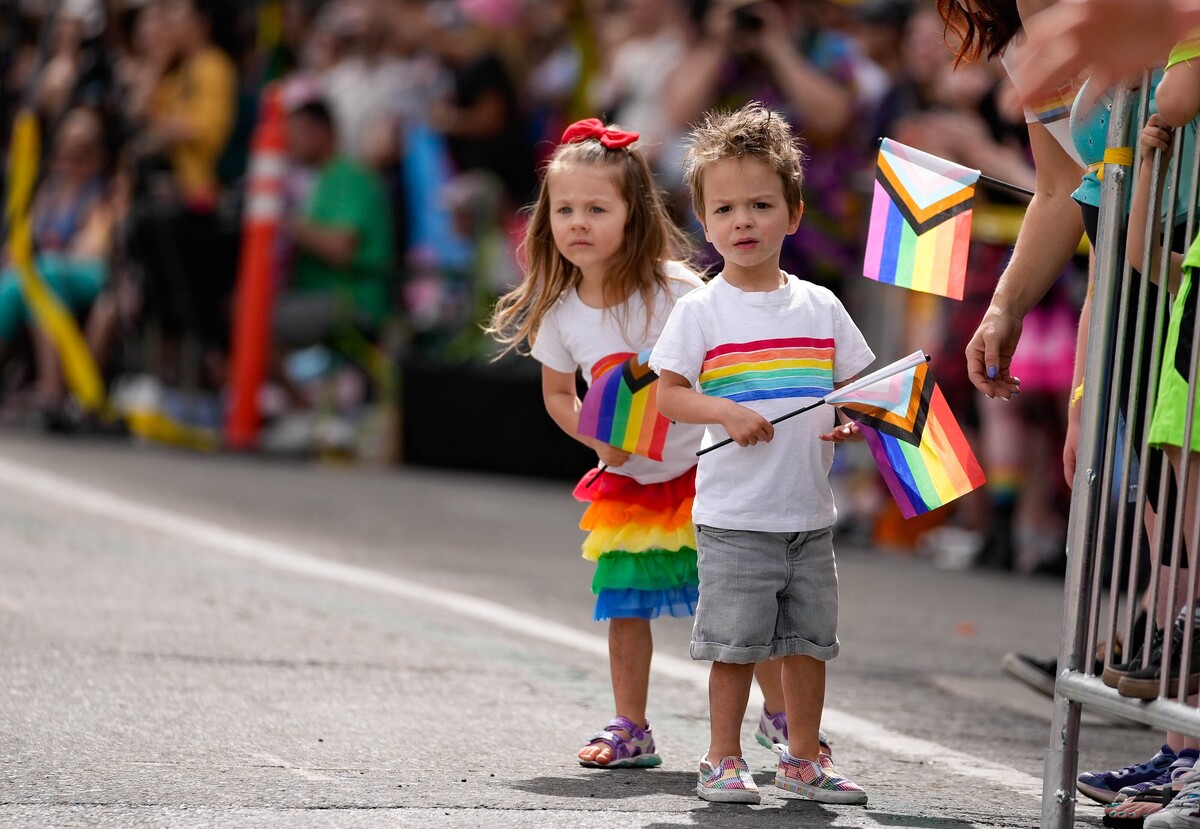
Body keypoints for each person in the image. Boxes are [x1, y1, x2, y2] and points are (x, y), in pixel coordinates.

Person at [486, 117, 806, 770]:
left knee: (742, 604)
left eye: (597, 208)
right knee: (626, 608)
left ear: (634, 215)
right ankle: (631, 725)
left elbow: (727, 365)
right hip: (630, 487)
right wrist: (600, 438)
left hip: (708, 473)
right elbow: (558, 395)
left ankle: (780, 717)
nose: (578, 222)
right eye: (565, 209)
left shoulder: (678, 294)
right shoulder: (561, 309)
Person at [651, 102, 872, 805]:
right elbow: (669, 396)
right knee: (735, 646)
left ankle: (802, 758)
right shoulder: (701, 311)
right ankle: (721, 756)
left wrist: (849, 421)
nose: (742, 221)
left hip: (808, 513)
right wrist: (725, 411)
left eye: (760, 204)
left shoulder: (821, 305)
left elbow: (856, 390)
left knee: (809, 643)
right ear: (704, 222)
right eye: (725, 209)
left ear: (794, 213)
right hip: (736, 515)